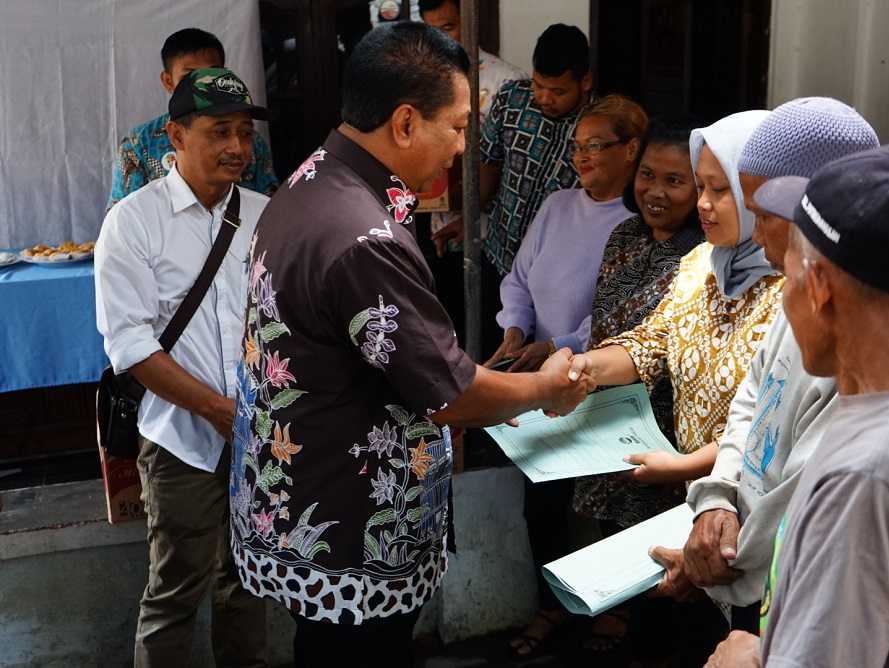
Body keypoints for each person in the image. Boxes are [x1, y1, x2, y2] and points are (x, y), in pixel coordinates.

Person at [227, 23, 593, 668]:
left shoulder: (310, 180)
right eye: (456, 126)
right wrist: (546, 388)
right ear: (403, 123)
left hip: (299, 500)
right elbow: (449, 392)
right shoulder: (362, 235)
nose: (463, 146)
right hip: (348, 533)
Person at [657, 99, 889, 634]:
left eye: (763, 215)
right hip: (744, 569)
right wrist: (717, 496)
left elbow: (809, 496)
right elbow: (755, 394)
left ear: (819, 208)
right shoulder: (803, 284)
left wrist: (718, 562)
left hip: (788, 591)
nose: (755, 235)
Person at [706, 145, 889, 667]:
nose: (786, 299)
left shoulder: (866, 477)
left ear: (818, 288)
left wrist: (747, 660)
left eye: (790, 278)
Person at [567, 110, 784, 666]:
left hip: (748, 518)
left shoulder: (791, 293)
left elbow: (770, 421)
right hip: (687, 508)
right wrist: (581, 369)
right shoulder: (700, 264)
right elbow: (652, 342)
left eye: (720, 190)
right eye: (702, 187)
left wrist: (686, 467)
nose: (704, 204)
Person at [95, 68, 272, 667]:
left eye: (244, 132)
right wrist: (216, 410)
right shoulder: (132, 222)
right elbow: (130, 345)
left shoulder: (265, 217)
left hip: (258, 437)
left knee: (247, 583)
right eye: (219, 131)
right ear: (175, 135)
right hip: (180, 442)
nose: (237, 147)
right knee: (174, 594)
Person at [479, 94, 646, 656]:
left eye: (596, 146)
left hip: (601, 379)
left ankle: (618, 611)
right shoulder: (556, 206)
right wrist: (517, 330)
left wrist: (562, 344)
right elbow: (519, 279)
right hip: (539, 377)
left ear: (631, 149)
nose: (582, 157)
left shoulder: (636, 221)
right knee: (541, 499)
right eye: (577, 146)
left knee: (611, 503)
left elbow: (622, 311)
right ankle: (550, 607)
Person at [570, 114, 704, 659]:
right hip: (606, 420)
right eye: (648, 175)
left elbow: (661, 347)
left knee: (665, 578)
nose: (655, 191)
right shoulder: (623, 236)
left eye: (675, 181)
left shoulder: (704, 256)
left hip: (668, 440)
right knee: (617, 554)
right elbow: (606, 326)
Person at [416, 0, 526, 345]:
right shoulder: (419, 79)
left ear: (469, 22)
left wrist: (475, 199)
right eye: (430, 29)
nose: (438, 39)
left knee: (491, 329)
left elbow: (518, 163)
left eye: (448, 28)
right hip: (438, 226)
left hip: (494, 235)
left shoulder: (506, 82)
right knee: (447, 328)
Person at [479, 23, 593, 351]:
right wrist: (467, 218)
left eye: (557, 91)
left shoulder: (599, 128)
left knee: (541, 363)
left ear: (585, 82)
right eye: (538, 85)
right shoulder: (512, 100)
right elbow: (488, 162)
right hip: (499, 258)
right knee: (493, 355)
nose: (544, 97)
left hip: (557, 282)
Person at [106, 28, 278, 212]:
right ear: (168, 81)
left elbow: (273, 211)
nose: (203, 85)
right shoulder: (139, 144)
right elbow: (123, 212)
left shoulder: (250, 142)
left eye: (212, 74)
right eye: (189, 77)